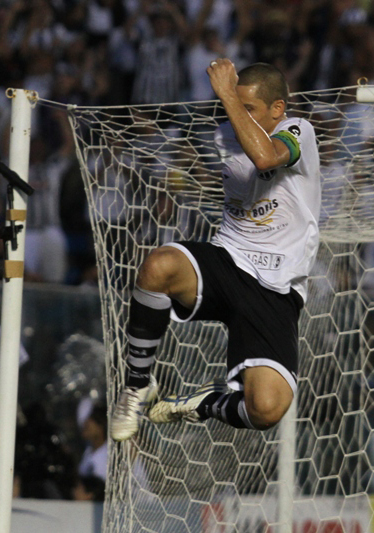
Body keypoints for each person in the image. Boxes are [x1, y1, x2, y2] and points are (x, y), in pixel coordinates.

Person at [110, 60, 321, 441]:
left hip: (276, 286)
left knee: (266, 410)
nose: (236, 112)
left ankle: (206, 403)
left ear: (277, 108)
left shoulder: (297, 131)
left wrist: (226, 93)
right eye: (235, 105)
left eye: (249, 107)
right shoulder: (223, 134)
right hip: (229, 260)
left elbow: (265, 157)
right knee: (158, 266)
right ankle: (136, 386)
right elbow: (182, 159)